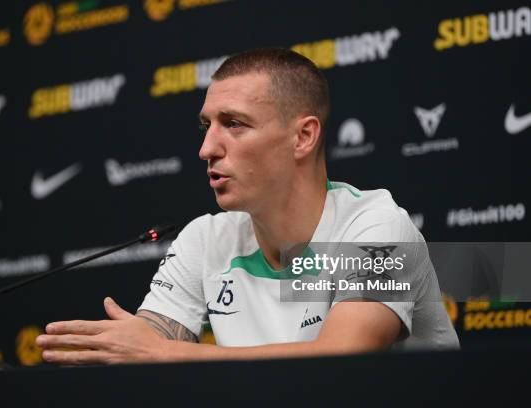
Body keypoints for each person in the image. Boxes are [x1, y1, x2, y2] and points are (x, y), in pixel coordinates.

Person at [36, 48, 459, 364]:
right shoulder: (206, 239)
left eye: (234, 124)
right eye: (206, 126)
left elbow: (342, 359)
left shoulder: (379, 227)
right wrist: (125, 344)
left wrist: (163, 354)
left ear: (303, 137)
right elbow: (150, 342)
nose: (206, 149)